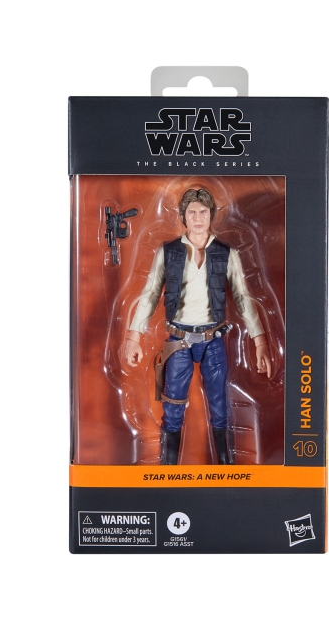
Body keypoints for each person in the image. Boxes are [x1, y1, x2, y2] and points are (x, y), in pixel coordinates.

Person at [124, 188, 271, 465]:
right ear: (183, 216)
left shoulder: (225, 253)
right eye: (192, 212)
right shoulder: (169, 252)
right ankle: (168, 468)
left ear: (211, 215)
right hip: (178, 338)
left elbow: (243, 298)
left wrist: (260, 341)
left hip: (213, 339)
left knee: (220, 406)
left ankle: (225, 466)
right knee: (173, 406)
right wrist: (134, 336)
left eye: (203, 212)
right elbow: (150, 294)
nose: (198, 218)